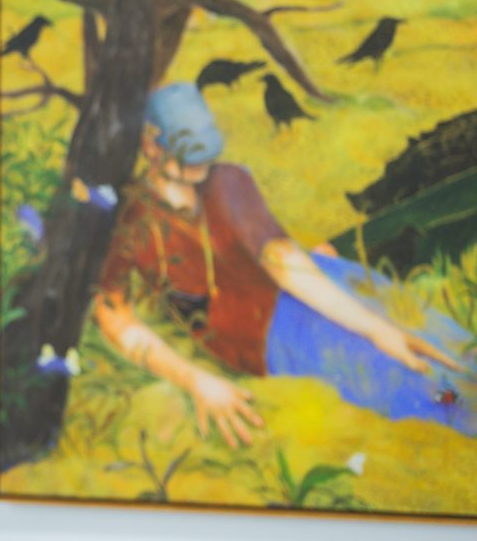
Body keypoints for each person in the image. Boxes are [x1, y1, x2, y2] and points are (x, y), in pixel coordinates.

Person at [93, 82, 472, 448]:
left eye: (203, 156)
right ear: (150, 145)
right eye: (189, 158)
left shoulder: (227, 180)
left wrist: (375, 326)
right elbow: (115, 317)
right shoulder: (131, 223)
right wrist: (196, 380)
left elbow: (283, 263)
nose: (200, 168)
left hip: (316, 285)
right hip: (272, 335)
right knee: (408, 379)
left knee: (429, 338)